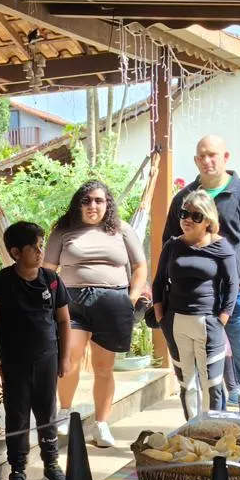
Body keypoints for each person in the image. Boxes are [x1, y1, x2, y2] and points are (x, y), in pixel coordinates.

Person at [43, 180, 147, 448]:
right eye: (87, 200)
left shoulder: (121, 230)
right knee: (69, 359)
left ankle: (101, 425)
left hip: (112, 303)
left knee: (104, 367)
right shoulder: (64, 231)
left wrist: (130, 299)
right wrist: (53, 301)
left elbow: (140, 266)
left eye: (99, 200)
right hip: (72, 302)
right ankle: (64, 412)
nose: (92, 205)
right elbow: (47, 269)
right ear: (79, 203)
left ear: (107, 204)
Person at [164, 135, 240, 393]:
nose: (207, 160)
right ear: (195, 160)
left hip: (237, 298)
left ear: (226, 157)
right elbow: (170, 242)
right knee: (200, 367)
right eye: (201, 156)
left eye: (212, 154)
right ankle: (204, 425)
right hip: (194, 299)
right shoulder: (183, 199)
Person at [0, 221, 72, 480]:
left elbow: (64, 321)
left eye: (40, 245)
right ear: (15, 252)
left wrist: (65, 358)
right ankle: (18, 470)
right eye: (33, 247)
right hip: (14, 362)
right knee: (17, 416)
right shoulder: (1, 283)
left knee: (47, 413)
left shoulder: (52, 280)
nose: (40, 250)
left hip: (47, 360)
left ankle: (51, 464)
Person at [152, 190, 240, 415]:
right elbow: (159, 281)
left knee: (212, 384)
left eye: (196, 216)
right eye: (184, 214)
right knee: (187, 384)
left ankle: (213, 433)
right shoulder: (172, 245)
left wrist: (222, 319)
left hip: (208, 322)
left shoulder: (222, 247)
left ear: (208, 220)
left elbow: (232, 284)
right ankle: (191, 432)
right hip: (176, 321)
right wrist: (162, 317)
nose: (188, 220)